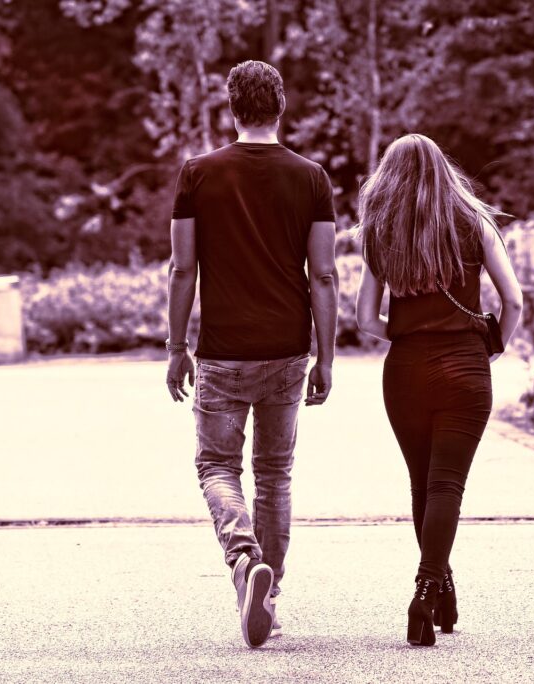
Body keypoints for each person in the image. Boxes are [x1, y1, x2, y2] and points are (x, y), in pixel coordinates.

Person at [164, 60, 338, 648]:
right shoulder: (311, 178)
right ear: (280, 105)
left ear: (232, 107)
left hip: (223, 352)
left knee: (217, 468)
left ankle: (244, 561)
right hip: (287, 350)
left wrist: (176, 347)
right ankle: (270, 593)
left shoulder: (198, 174)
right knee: (274, 474)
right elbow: (324, 276)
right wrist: (326, 357)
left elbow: (182, 268)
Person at [355, 133, 523, 647]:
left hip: (405, 370)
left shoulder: (381, 233)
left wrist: (411, 332)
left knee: (421, 484)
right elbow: (514, 301)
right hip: (465, 367)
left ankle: (438, 592)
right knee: (446, 485)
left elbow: (366, 320)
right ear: (443, 172)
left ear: (388, 179)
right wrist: (491, 347)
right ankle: (429, 591)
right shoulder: (475, 223)